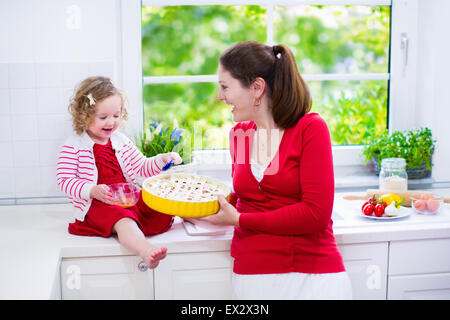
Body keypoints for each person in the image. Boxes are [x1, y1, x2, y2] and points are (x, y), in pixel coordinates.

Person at [203, 41, 352, 299]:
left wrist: (239, 220)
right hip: (253, 277)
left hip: (314, 276)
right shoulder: (239, 135)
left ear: (257, 88)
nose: (220, 96)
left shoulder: (310, 129)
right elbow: (242, 199)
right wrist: (189, 206)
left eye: (225, 86)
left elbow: (315, 214)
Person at [57, 76, 182, 269]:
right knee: (123, 220)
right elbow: (64, 180)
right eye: (103, 117)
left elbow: (141, 166)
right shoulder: (74, 146)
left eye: (116, 115)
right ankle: (145, 250)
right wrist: (91, 190)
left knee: (161, 202)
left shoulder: (120, 140)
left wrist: (161, 159)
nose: (111, 122)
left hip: (127, 197)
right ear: (84, 114)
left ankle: (207, 217)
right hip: (99, 204)